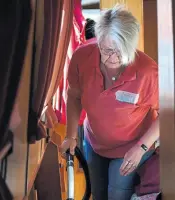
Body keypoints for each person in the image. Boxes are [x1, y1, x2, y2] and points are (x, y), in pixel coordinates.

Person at [60, 4, 159, 200]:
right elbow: (74, 95)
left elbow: (168, 113)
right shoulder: (82, 57)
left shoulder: (148, 73)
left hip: (131, 147)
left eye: (120, 51)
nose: (113, 58)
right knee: (98, 193)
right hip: (95, 141)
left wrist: (141, 148)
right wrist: (70, 135)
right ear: (98, 43)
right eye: (106, 50)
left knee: (116, 194)